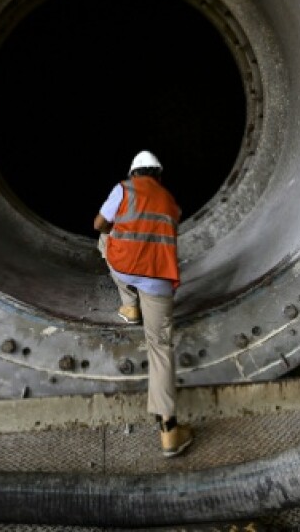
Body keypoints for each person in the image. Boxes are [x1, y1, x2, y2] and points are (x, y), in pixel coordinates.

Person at [94, 150, 193, 457]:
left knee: (103, 243)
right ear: (158, 176)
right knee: (160, 347)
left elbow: (99, 224)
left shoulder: (123, 188)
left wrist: (120, 232)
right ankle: (169, 432)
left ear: (133, 173)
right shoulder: (170, 201)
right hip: (158, 279)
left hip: (125, 267)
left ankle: (128, 305)